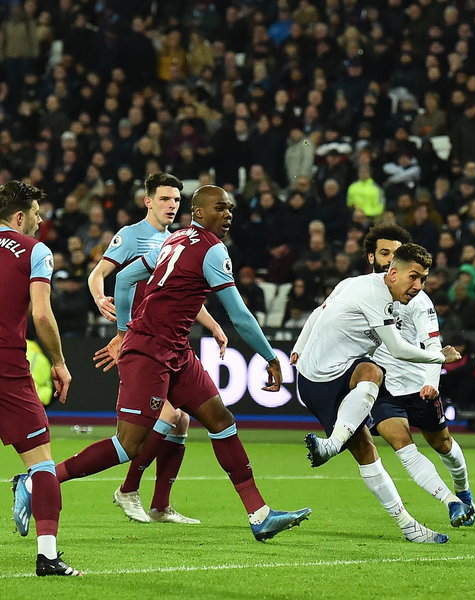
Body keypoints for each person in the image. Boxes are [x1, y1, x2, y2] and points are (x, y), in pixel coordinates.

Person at [17, 186, 311, 542]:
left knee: (221, 420)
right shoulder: (212, 250)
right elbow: (241, 315)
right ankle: (38, 479)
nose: (229, 214)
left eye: (231, 208)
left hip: (176, 352)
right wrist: (269, 357)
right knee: (129, 445)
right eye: (221, 208)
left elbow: (126, 279)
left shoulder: (174, 241)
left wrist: (124, 329)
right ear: (199, 213)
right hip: (150, 352)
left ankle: (259, 515)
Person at [292, 242, 461, 543]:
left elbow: (321, 311)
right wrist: (439, 357)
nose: (418, 286)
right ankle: (331, 447)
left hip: (340, 374)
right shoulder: (376, 296)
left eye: (423, 279)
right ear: (393, 273)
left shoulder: (368, 288)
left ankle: (408, 526)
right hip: (318, 380)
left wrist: (299, 348)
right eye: (414, 277)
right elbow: (396, 348)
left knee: (367, 451)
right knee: (373, 371)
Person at [89, 172, 227, 525]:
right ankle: (128, 490)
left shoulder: (178, 239)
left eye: (176, 200)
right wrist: (103, 305)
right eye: (165, 199)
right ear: (148, 200)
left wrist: (212, 326)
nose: (171, 205)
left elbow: (182, 295)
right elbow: (99, 275)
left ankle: (161, 505)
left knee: (181, 422)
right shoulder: (132, 236)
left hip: (166, 342)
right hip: (138, 341)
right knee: (166, 417)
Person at [361, 224, 475, 528]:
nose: (388, 259)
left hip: (418, 386)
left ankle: (463, 491)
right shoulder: (362, 290)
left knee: (442, 445)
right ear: (373, 257)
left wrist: (431, 382)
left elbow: (432, 344)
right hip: (382, 387)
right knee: (403, 446)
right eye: (384, 252)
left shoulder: (419, 301)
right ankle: (449, 502)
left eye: (393, 253)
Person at [1, 181, 81, 576]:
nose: (39, 221)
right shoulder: (35, 251)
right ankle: (47, 556)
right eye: (36, 215)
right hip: (7, 368)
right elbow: (42, 314)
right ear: (19, 217)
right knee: (42, 465)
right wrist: (59, 361)